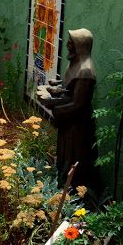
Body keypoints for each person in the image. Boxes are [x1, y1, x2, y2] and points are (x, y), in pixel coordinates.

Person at [37, 28, 100, 191]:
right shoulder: (75, 62)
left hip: (78, 126)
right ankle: (63, 186)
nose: (67, 45)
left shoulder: (85, 71)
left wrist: (53, 106)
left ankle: (75, 193)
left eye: (71, 43)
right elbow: (69, 88)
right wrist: (57, 87)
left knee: (75, 160)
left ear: (80, 46)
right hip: (69, 123)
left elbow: (78, 104)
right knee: (65, 157)